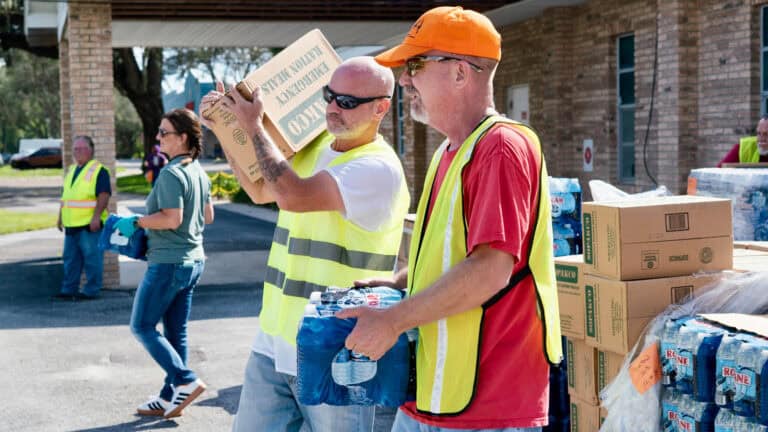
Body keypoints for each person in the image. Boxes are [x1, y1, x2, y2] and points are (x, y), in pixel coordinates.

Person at [337, 7, 563, 432]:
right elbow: (450, 250)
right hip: (440, 396)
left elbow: (491, 269)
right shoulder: (452, 151)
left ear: (461, 73)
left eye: (416, 65)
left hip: (487, 406)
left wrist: (393, 320)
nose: (404, 80)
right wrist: (400, 282)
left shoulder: (499, 148)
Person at [199, 56, 410, 432]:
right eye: (330, 95)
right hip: (274, 340)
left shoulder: (378, 169)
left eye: (346, 102)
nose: (332, 108)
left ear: (381, 108)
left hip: (336, 350)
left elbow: (291, 194)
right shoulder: (316, 148)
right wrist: (224, 129)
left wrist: (252, 126)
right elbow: (260, 189)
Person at [114, 108, 214, 419]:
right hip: (193, 261)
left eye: (164, 133)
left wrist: (137, 222)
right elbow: (208, 216)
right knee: (175, 332)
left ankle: (185, 379)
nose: (158, 137)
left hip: (169, 263)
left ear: (183, 137)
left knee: (142, 325)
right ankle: (171, 396)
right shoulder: (198, 170)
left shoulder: (172, 173)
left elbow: (172, 218)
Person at [56, 135, 111, 300]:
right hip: (71, 225)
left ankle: (91, 291)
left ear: (91, 150)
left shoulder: (99, 170)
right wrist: (60, 218)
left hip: (89, 225)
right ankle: (68, 289)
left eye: (81, 149)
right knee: (70, 260)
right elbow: (65, 197)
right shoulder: (71, 170)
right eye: (75, 149)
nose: (77, 152)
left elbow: (104, 195)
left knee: (92, 259)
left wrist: (96, 217)